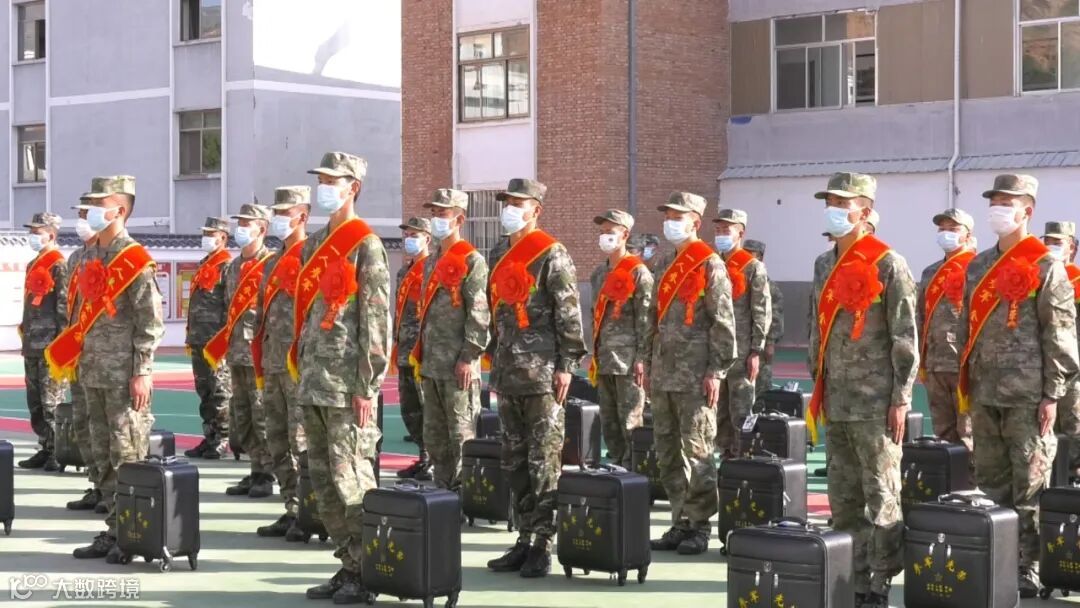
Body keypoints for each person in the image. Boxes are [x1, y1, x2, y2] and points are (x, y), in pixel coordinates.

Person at [958, 174, 1078, 597]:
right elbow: (966, 326)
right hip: (985, 392)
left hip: (1028, 396)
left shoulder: (1046, 266)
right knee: (991, 483)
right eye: (994, 201)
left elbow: (1059, 334)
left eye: (1006, 202)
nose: (998, 209)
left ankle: (1030, 565)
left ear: (1027, 210)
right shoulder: (978, 266)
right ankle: (998, 558)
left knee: (1029, 485)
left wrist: (1052, 394)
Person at [807, 172, 917, 607]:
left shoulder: (889, 263)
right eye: (830, 202)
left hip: (875, 402)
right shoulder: (824, 263)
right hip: (836, 399)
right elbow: (816, 330)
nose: (833, 210)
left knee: (882, 494)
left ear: (865, 211)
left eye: (842, 203)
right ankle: (851, 576)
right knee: (844, 495)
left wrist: (901, 398)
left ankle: (881, 581)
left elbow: (904, 336)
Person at [298, 152, 388, 603]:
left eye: (332, 181)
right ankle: (348, 564)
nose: (324, 187)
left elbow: (375, 321)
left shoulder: (365, 245)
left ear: (353, 187)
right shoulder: (315, 244)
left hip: (346, 386)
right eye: (321, 180)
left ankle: (370, 570)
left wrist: (367, 386)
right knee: (323, 483)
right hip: (314, 380)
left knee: (351, 480)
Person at [485, 178, 586, 578]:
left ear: (536, 210)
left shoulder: (551, 254)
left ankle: (543, 543)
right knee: (514, 461)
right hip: (508, 372)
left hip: (543, 374)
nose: (509, 209)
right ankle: (524, 536)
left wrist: (566, 366)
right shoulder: (498, 252)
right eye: (507, 202)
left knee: (543, 460)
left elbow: (568, 313)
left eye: (518, 203)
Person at [62, 176, 163, 560]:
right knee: (98, 453)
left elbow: (150, 322)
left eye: (97, 205)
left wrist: (142, 371)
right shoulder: (88, 257)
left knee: (126, 454)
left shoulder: (134, 260)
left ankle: (132, 534)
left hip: (122, 377)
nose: (89, 212)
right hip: (90, 371)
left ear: (119, 210)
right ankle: (113, 526)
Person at [647, 192, 736, 556]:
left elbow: (723, 323)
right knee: (667, 453)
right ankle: (679, 520)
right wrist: (647, 362)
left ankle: (699, 524)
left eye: (677, 216)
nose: (670, 222)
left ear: (695, 222)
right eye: (667, 215)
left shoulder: (709, 264)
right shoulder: (665, 263)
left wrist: (717, 370)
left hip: (696, 375)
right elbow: (653, 320)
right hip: (663, 373)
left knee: (698, 452)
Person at [414, 188, 490, 491]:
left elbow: (479, 315)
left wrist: (469, 356)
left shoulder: (472, 260)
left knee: (461, 435)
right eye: (433, 213)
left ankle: (463, 496)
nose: (436, 219)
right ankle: (442, 494)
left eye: (442, 213)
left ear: (459, 219)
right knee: (435, 436)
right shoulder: (432, 261)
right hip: (432, 363)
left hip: (458, 365)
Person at [253, 187, 311, 539]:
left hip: (298, 365)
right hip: (274, 361)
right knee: (276, 438)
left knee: (299, 439)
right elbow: (262, 313)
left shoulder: (312, 256)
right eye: (275, 213)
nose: (277, 219)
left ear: (302, 216)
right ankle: (291, 506)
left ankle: (308, 511)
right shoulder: (273, 262)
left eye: (284, 212)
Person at [212, 204, 275, 498]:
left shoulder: (271, 264)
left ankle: (267, 472)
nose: (240, 229)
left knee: (262, 414)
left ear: (261, 228)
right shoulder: (233, 267)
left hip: (258, 354)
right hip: (236, 352)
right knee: (243, 415)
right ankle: (254, 468)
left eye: (246, 223)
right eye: (239, 223)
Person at [588, 209, 652, 468]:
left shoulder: (638, 273)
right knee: (609, 420)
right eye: (602, 232)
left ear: (625, 235)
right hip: (604, 358)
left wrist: (642, 358)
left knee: (630, 421)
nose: (605, 237)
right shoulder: (598, 274)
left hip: (629, 361)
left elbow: (646, 320)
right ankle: (615, 466)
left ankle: (634, 471)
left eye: (610, 232)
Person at [916, 208, 976, 451]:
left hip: (964, 364)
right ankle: (950, 474)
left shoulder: (977, 268)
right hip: (934, 363)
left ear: (968, 234)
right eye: (942, 229)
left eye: (953, 229)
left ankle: (972, 475)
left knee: (969, 432)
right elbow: (920, 315)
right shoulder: (930, 272)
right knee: (943, 432)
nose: (946, 233)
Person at [712, 209, 770, 456]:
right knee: (718, 412)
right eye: (718, 230)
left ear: (740, 233)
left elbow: (761, 310)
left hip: (742, 351)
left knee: (741, 411)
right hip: (715, 353)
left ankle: (743, 460)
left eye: (727, 229)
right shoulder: (712, 264)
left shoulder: (752, 267)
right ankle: (726, 458)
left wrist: (756, 350)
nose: (721, 234)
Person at [65, 202, 107, 512]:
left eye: (87, 214)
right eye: (80, 215)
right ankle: (96, 484)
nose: (82, 220)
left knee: (106, 428)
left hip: (106, 357)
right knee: (82, 423)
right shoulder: (76, 258)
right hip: (78, 354)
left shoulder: (117, 258)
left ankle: (113, 492)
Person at [18, 212, 68, 472]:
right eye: (31, 231)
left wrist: (62, 346)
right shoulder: (33, 264)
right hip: (32, 343)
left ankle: (58, 451)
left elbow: (64, 308)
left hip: (51, 346)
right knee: (35, 401)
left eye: (37, 232)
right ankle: (45, 446)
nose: (32, 236)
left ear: (51, 234)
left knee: (52, 402)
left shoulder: (59, 265)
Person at [183, 217, 233, 460]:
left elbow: (230, 305)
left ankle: (223, 439)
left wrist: (224, 340)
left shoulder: (227, 267)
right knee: (204, 391)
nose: (205, 238)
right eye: (204, 233)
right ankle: (210, 435)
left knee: (220, 391)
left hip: (216, 341)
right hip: (199, 338)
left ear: (223, 237)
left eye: (210, 234)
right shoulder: (205, 264)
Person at [394, 217, 434, 481]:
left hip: (424, 350)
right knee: (410, 408)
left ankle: (432, 460)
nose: (408, 239)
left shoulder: (433, 268)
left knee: (426, 406)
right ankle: (423, 456)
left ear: (427, 239)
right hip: (404, 349)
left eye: (414, 235)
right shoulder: (404, 272)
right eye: (407, 235)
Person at [1044, 220, 1080, 481]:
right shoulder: (1040, 277)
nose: (1051, 247)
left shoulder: (1077, 280)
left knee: (1074, 424)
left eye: (1057, 243)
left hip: (1073, 370)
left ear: (1072, 248)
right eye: (1047, 242)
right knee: (1048, 429)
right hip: (1045, 368)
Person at [743, 239, 784, 396]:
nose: (746, 255)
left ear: (759, 256)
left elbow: (775, 316)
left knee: (760, 384)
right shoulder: (735, 278)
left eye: (750, 253)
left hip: (760, 344)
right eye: (744, 252)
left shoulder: (769, 286)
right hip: (740, 340)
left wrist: (770, 343)